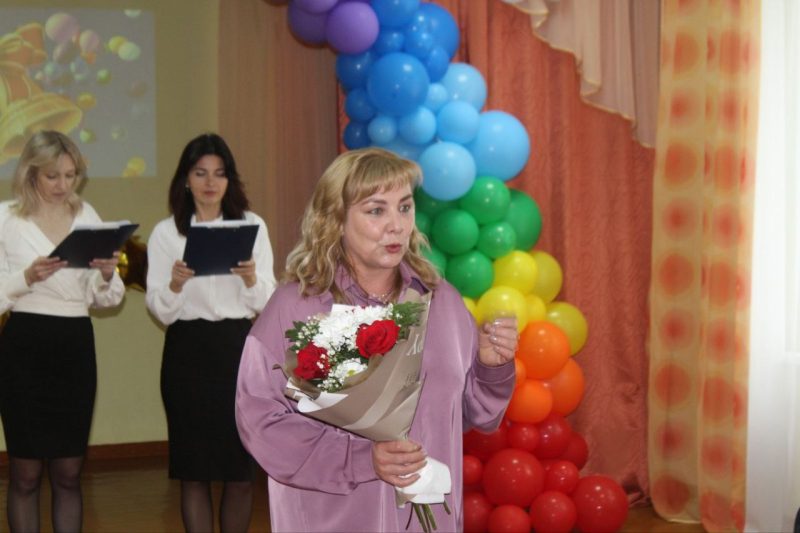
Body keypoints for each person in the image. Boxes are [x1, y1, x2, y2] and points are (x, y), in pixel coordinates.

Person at [235, 147, 518, 532]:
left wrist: (490, 367)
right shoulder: (296, 308)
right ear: (335, 219)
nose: (396, 225)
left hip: (428, 520)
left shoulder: (442, 302)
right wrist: (359, 458)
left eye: (404, 207)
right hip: (334, 520)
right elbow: (259, 420)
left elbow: (478, 415)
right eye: (376, 210)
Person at [146, 133, 276, 533]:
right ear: (186, 179)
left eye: (219, 173)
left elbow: (267, 302)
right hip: (187, 352)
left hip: (237, 350)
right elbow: (159, 308)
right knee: (194, 472)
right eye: (200, 173)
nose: (210, 182)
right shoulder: (167, 233)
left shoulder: (251, 225)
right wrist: (175, 284)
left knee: (240, 473)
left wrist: (251, 278)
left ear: (229, 179)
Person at [0, 130, 124, 532]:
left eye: (70, 176)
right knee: (26, 473)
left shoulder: (87, 217)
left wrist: (107, 274)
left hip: (74, 345)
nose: (63, 185)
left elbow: (107, 299)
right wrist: (25, 277)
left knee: (69, 472)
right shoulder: (6, 218)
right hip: (24, 345)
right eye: (52, 176)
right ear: (31, 173)